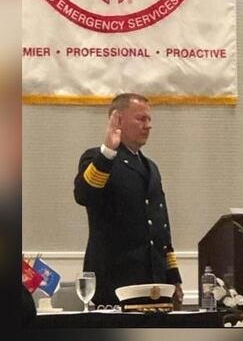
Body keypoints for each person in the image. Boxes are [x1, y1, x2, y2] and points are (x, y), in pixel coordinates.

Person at [74, 93, 183, 306]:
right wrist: (107, 151)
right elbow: (84, 194)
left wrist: (173, 275)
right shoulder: (99, 158)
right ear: (118, 120)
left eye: (149, 119)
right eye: (141, 119)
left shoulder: (151, 167)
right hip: (115, 282)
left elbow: (161, 229)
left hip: (153, 282)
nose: (148, 125)